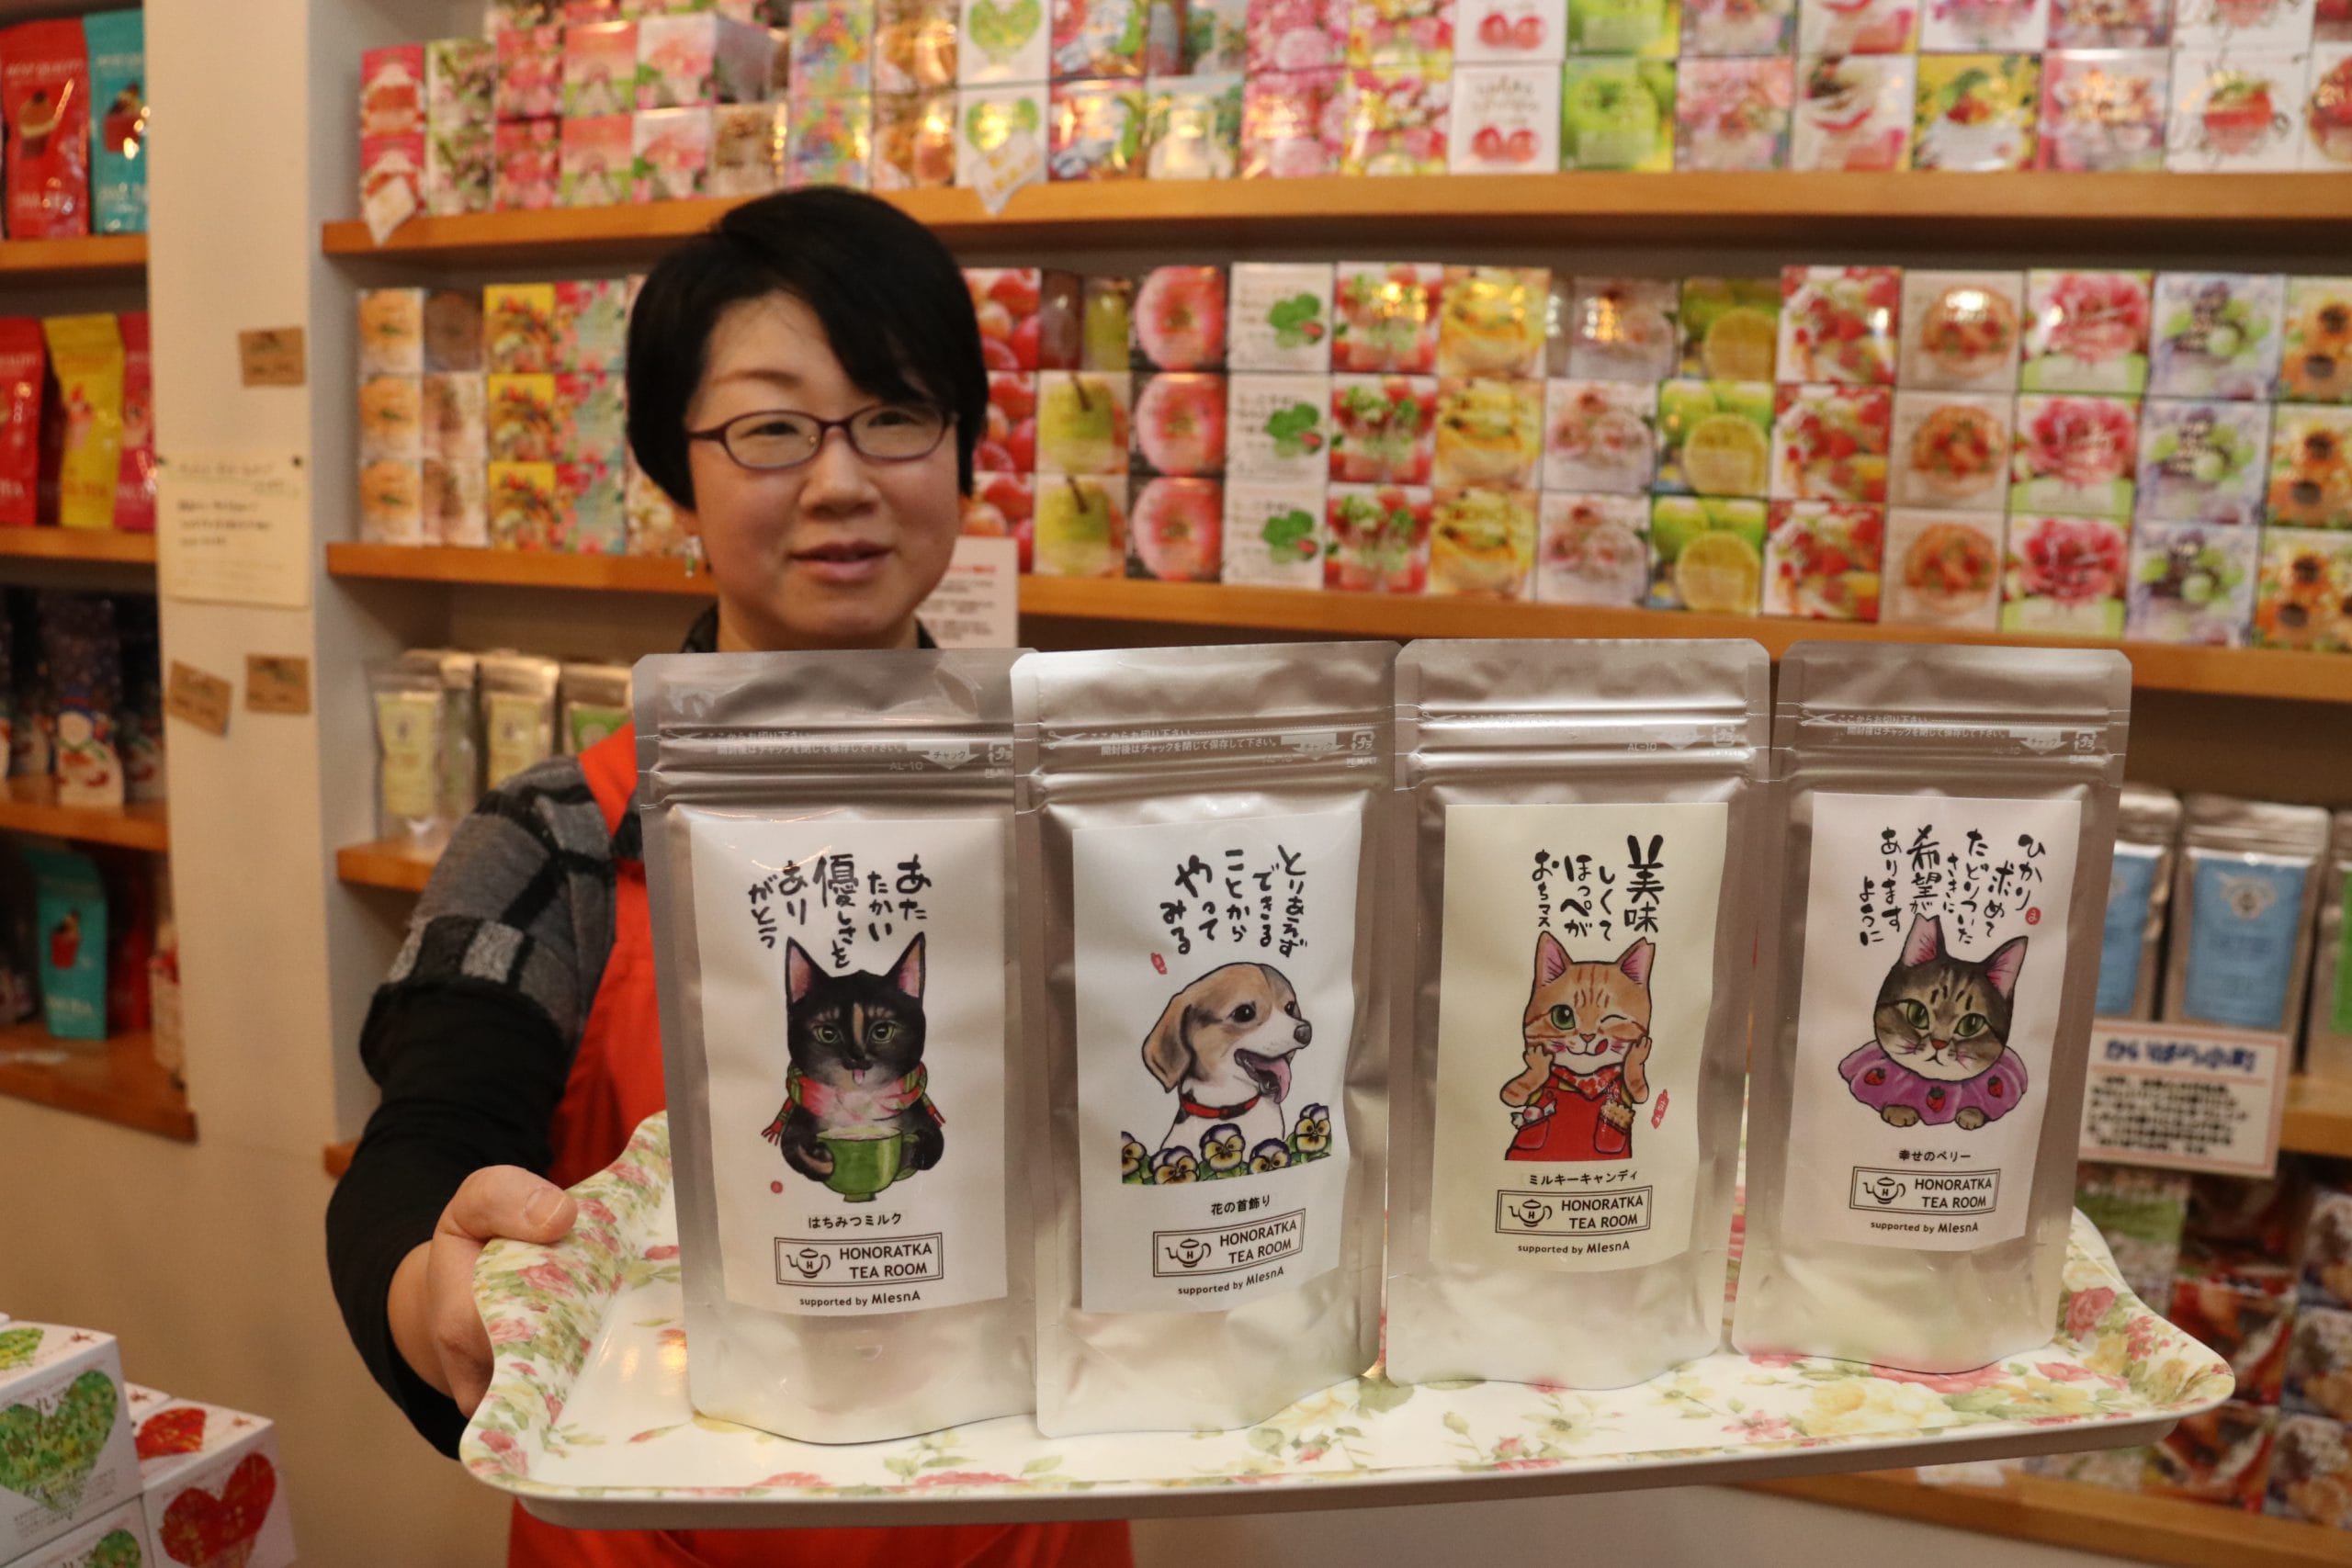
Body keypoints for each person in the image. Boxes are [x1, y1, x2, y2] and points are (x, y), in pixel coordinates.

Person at [327, 187, 1132, 1568]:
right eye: (771, 429)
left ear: (962, 454)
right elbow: (426, 1147)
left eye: (896, 414)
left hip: (1023, 1528)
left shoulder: (1082, 810)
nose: (841, 481)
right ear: (674, 471)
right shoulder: (559, 835)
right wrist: (429, 1285)